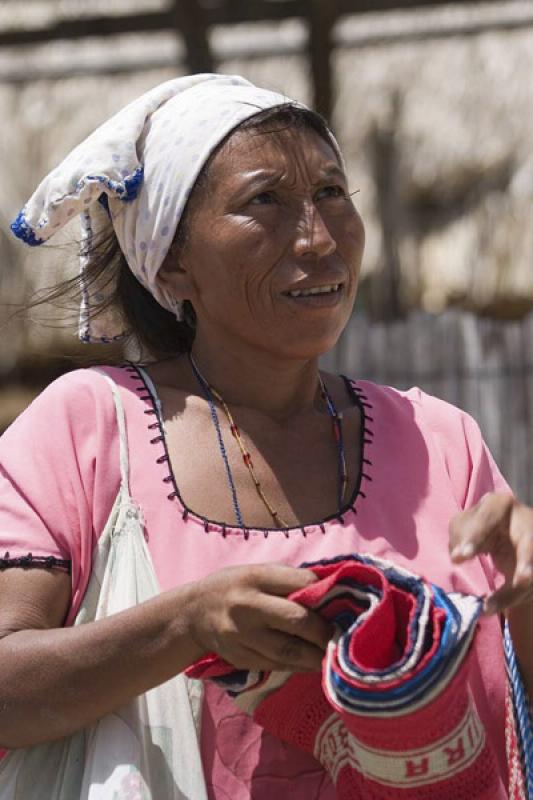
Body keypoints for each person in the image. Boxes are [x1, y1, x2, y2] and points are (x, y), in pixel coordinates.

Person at [0, 73, 532, 799]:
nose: (317, 237)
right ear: (175, 259)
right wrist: (187, 625)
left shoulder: (439, 438)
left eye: (331, 193)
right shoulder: (92, 428)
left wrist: (526, 584)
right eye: (264, 202)